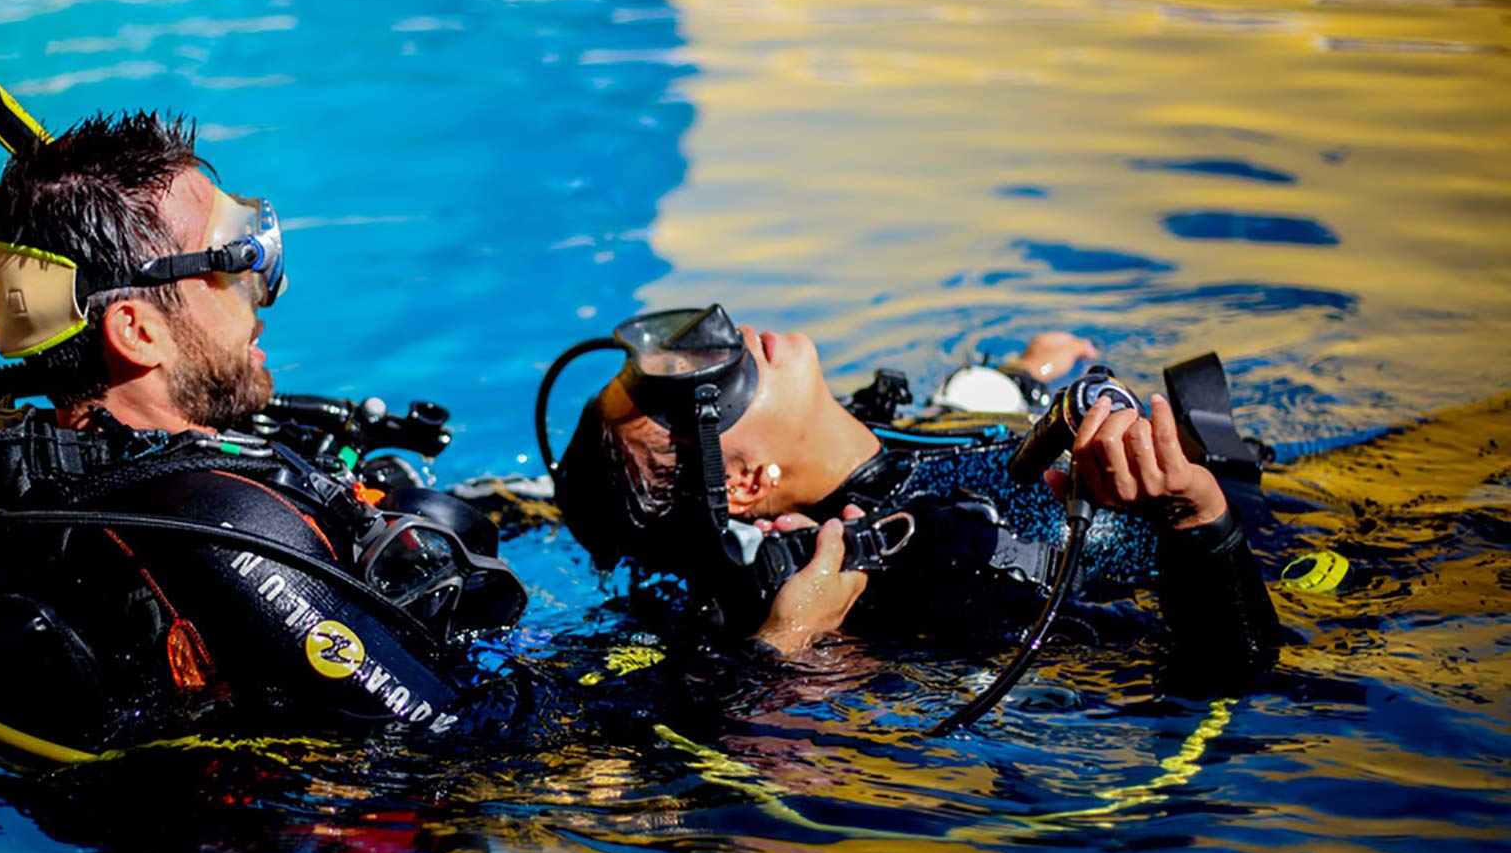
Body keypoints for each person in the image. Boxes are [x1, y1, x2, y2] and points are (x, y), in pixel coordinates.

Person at [0, 112, 527, 760]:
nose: (260, 299)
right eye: (233, 268)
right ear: (136, 329)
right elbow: (455, 740)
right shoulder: (222, 529)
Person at [543, 304, 1282, 700]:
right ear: (747, 484)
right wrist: (1198, 515)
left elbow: (955, 434)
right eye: (704, 381)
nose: (719, 340)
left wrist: (1024, 375)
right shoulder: (923, 560)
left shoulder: (875, 425)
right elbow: (1232, 670)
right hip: (1311, 559)